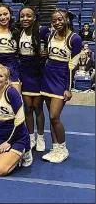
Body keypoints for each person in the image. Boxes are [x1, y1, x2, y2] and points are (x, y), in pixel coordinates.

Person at [40, 9, 82, 163]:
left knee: (54, 116)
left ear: (67, 20)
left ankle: (63, 149)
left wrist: (69, 88)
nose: (57, 23)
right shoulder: (50, 34)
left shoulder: (74, 39)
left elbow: (73, 65)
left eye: (60, 19)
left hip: (61, 79)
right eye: (54, 20)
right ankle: (55, 148)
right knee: (50, 118)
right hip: (47, 77)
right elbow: (39, 32)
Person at [0, 65, 33, 176]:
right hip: (0, 137)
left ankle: (25, 151)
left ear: (6, 79)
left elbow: (20, 120)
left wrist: (8, 142)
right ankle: (3, 156)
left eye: (0, 76)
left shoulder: (11, 93)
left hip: (17, 138)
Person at [17, 7, 50, 151]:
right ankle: (31, 137)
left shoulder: (42, 30)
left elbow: (56, 40)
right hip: (24, 71)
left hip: (38, 72)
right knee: (27, 108)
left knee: (38, 108)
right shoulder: (18, 32)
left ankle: (41, 137)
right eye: (22, 16)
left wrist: (48, 51)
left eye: (28, 16)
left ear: (34, 17)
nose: (25, 18)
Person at [0, 4, 20, 93]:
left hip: (12, 66)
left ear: (10, 14)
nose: (3, 17)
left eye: (5, 14)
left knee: (15, 97)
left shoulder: (17, 30)